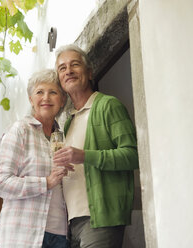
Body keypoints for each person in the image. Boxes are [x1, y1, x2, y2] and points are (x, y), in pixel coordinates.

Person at [53, 44, 139, 248]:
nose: (69, 71)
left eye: (75, 65)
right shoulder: (68, 121)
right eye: (62, 68)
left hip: (100, 218)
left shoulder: (108, 105)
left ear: (89, 72)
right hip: (72, 223)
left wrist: (84, 156)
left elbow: (132, 155)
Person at [0, 69, 71, 248]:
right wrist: (45, 183)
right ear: (30, 99)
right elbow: (1, 183)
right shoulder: (20, 130)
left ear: (62, 99)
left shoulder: (64, 137)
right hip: (22, 235)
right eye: (39, 92)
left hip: (60, 235)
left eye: (53, 92)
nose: (46, 98)